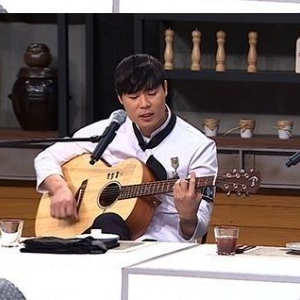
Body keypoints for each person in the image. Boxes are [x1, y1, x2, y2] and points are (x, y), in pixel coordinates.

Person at [34, 54, 218, 242]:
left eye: (152, 93)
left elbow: (199, 227)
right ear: (120, 98)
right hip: (99, 239)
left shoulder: (199, 146)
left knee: (109, 225)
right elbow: (46, 157)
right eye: (133, 97)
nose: (144, 104)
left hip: (164, 244)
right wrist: (59, 189)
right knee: (107, 224)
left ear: (165, 88)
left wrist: (188, 217)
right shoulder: (108, 132)